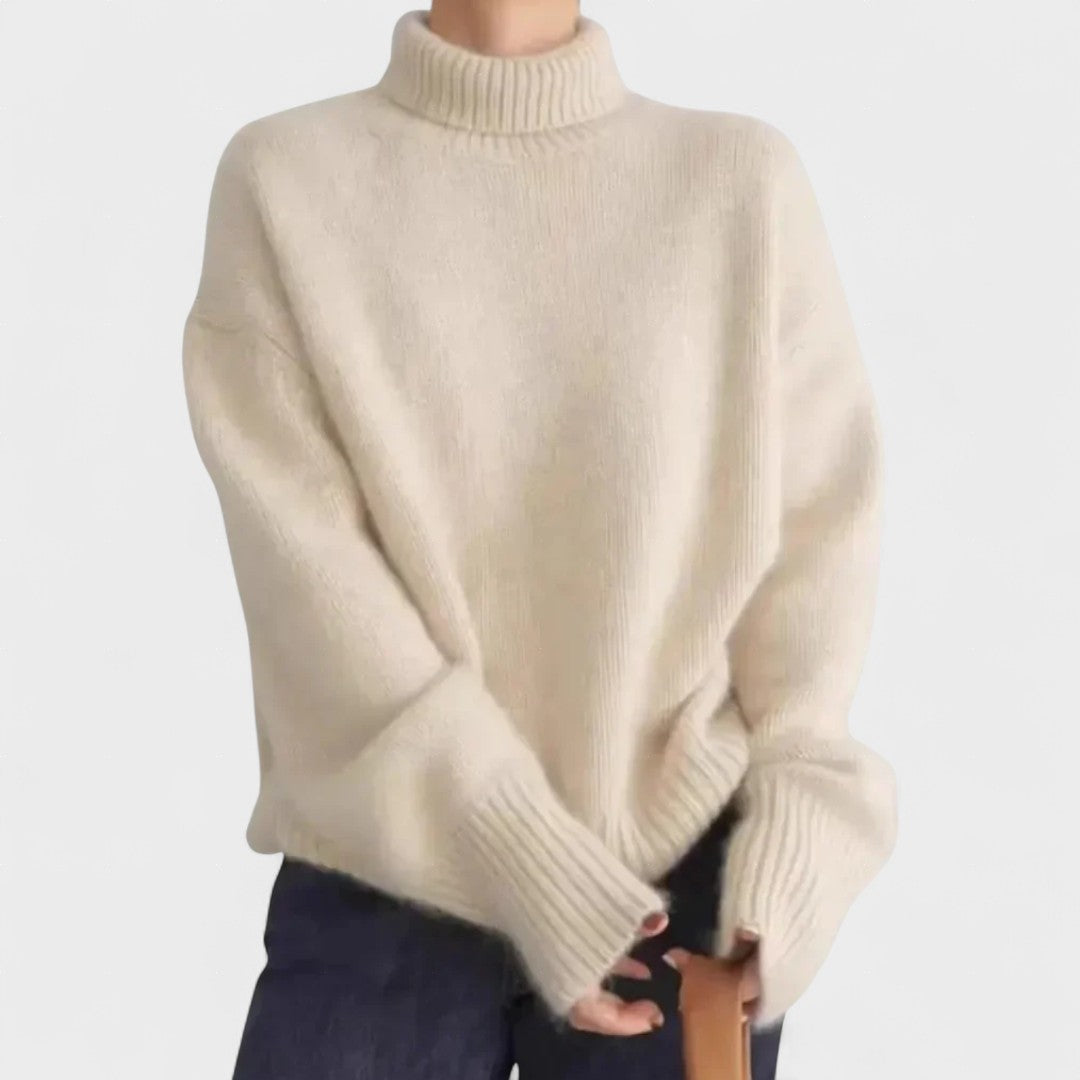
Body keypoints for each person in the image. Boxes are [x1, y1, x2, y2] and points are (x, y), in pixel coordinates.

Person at [180, 3, 897, 1078]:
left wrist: (793, 851)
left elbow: (816, 544)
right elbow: (312, 584)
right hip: (388, 873)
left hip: (678, 902)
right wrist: (518, 854)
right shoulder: (286, 182)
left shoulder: (737, 184)